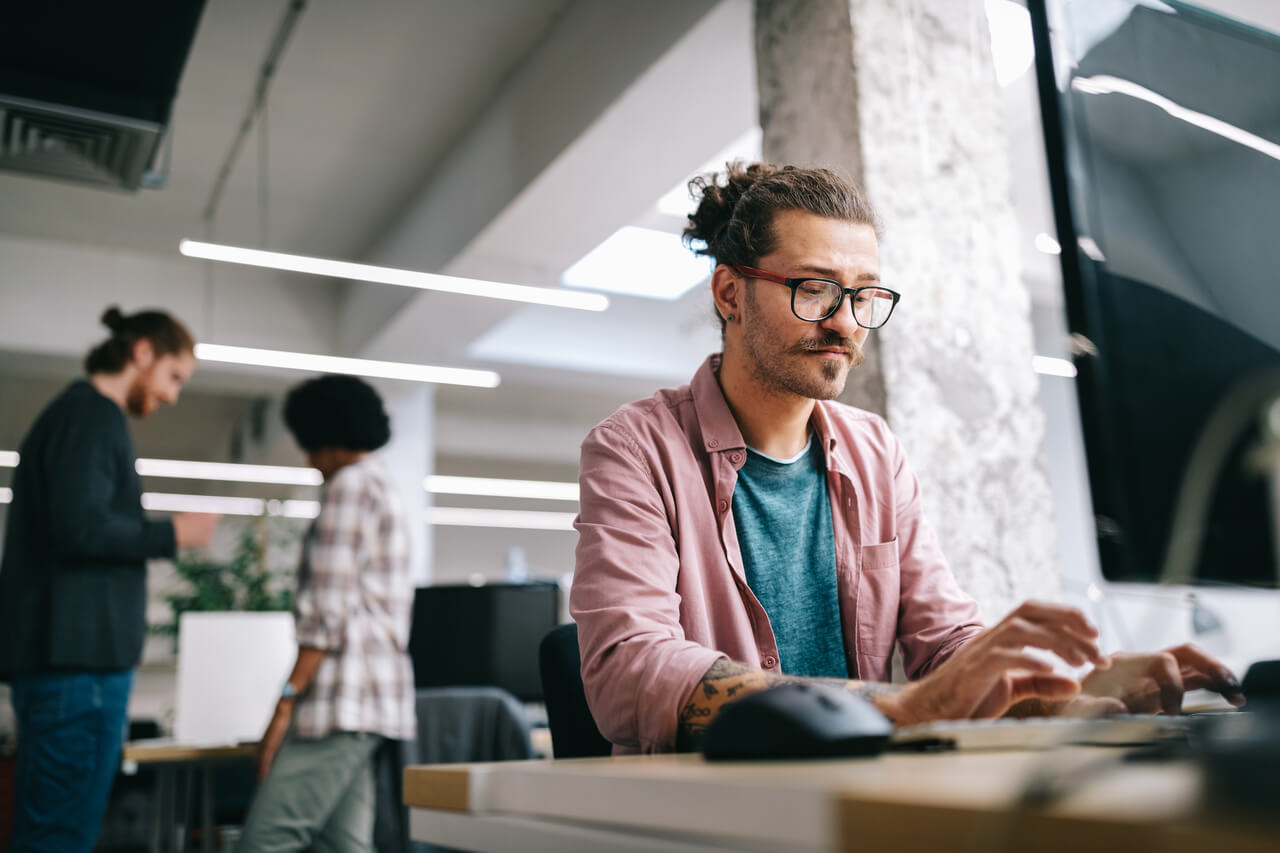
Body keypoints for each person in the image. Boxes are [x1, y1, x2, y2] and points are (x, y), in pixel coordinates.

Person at [569, 163, 1244, 754]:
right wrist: (897, 706)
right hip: (711, 816)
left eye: (863, 295)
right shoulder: (636, 450)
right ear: (728, 294)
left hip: (862, 800)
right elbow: (630, 670)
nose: (844, 322)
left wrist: (1060, 683)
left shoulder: (874, 450)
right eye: (813, 288)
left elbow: (945, 643)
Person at [0, 306, 218, 850]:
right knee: (60, 834)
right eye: (173, 377)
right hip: (79, 671)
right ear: (141, 352)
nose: (172, 396)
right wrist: (174, 535)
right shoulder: (92, 417)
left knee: (55, 829)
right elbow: (80, 528)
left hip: (70, 669)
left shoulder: (76, 418)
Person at [238, 375, 416, 853]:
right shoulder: (383, 485)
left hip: (343, 700)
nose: (310, 461)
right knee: (345, 845)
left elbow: (326, 612)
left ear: (327, 436)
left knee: (264, 841)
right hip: (372, 703)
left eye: (311, 446)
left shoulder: (350, 487)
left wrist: (284, 703)